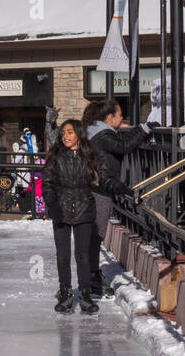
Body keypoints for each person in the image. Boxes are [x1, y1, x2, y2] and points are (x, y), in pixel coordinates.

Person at [43, 119, 136, 314]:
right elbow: (47, 184)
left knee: (83, 255)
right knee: (63, 255)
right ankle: (66, 293)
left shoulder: (90, 156)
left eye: (69, 132)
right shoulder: (55, 156)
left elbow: (104, 180)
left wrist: (122, 189)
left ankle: (85, 295)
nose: (65, 136)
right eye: (63, 133)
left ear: (78, 133)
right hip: (61, 209)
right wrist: (52, 205)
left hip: (85, 208)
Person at [81, 100, 150, 299]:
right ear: (109, 118)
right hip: (99, 189)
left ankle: (91, 277)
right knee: (96, 234)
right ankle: (92, 279)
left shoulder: (94, 132)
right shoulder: (102, 135)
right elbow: (124, 146)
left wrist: (134, 129)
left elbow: (119, 139)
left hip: (93, 187)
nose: (122, 118)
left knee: (93, 234)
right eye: (120, 115)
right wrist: (145, 129)